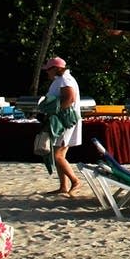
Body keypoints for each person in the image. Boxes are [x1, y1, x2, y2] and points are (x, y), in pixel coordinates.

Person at [41, 57, 82, 195]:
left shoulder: (65, 79)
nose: (47, 72)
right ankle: (63, 186)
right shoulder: (61, 79)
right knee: (58, 153)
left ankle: (75, 181)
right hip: (63, 119)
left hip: (65, 120)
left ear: (56, 69)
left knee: (58, 154)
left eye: (48, 70)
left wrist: (55, 111)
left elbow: (70, 98)